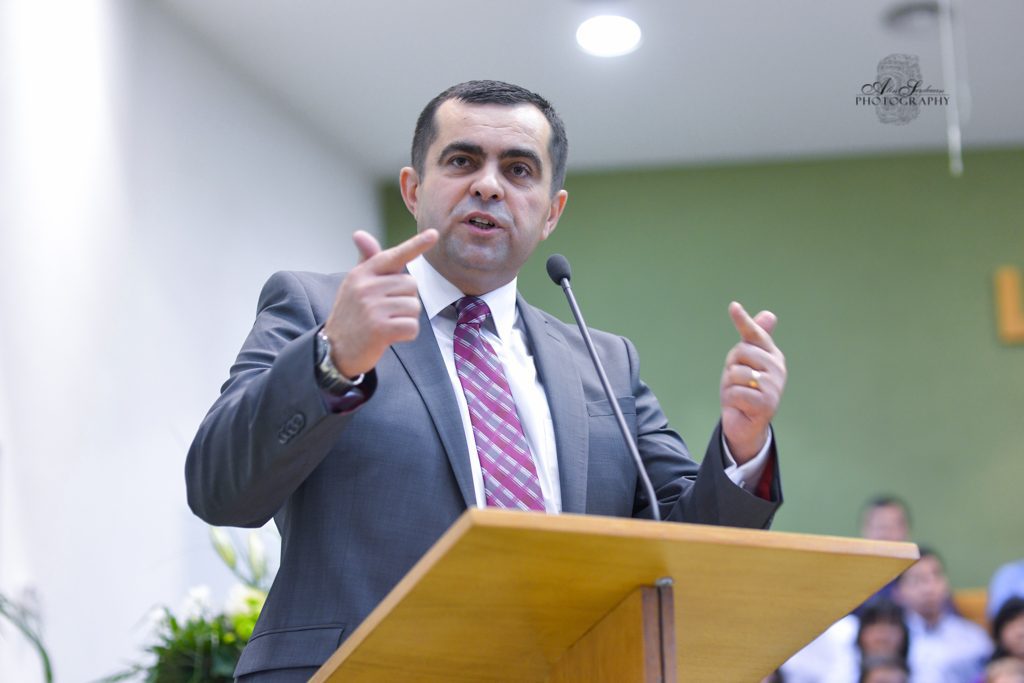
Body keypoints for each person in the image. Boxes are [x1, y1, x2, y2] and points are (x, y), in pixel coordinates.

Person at [185, 80, 786, 680]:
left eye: (519, 170)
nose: (489, 185)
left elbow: (687, 550)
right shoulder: (322, 309)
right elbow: (220, 488)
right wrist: (333, 358)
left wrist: (743, 443)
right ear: (413, 189)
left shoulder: (605, 362)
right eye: (462, 161)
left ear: (551, 213)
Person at [895, 547, 992, 683]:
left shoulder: (974, 636)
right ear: (898, 592)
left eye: (936, 576)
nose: (929, 588)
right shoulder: (892, 639)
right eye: (917, 579)